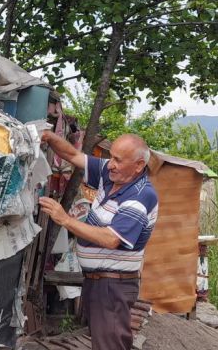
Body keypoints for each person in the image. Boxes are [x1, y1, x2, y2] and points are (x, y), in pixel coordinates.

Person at [39, 131, 158, 350]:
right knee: (103, 342)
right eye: (111, 157)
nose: (110, 164)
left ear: (139, 165)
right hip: (99, 281)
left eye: (117, 160)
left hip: (114, 285)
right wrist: (49, 137)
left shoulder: (141, 196)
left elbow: (111, 238)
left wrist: (65, 219)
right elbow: (74, 156)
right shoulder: (112, 175)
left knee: (109, 345)